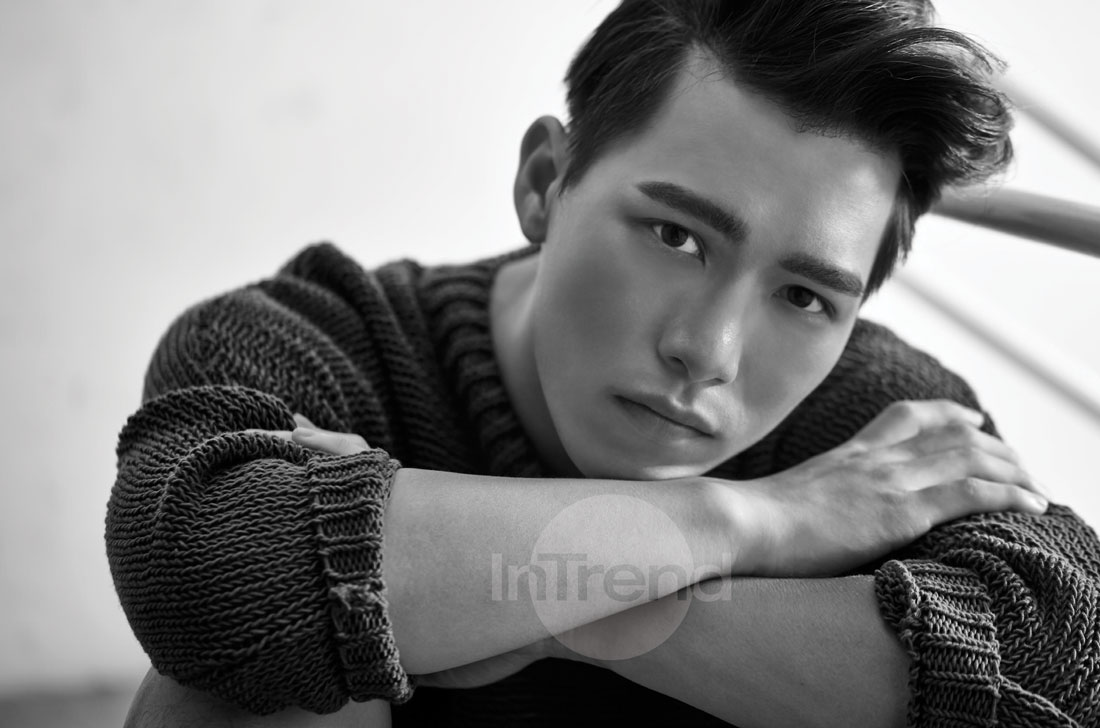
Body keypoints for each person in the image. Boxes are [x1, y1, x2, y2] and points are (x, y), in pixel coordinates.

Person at [107, 0, 1100, 725]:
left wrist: (563, 608)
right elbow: (206, 569)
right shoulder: (318, 339)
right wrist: (762, 519)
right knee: (232, 688)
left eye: (804, 296)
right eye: (676, 236)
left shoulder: (877, 417)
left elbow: (1064, 657)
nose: (706, 351)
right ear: (546, 182)